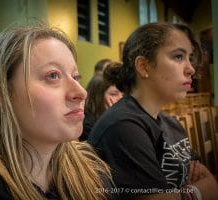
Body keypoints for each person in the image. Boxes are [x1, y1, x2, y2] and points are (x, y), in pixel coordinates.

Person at [0, 25, 117, 200]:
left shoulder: (93, 173)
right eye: (53, 76)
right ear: (3, 93)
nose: (81, 92)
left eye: (76, 76)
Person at [87, 22, 218, 200]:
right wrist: (196, 193)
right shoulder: (123, 126)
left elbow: (206, 178)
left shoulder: (171, 124)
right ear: (143, 66)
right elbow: (206, 187)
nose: (191, 69)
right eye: (178, 57)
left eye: (190, 58)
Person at [80, 63, 123, 141]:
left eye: (123, 94)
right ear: (98, 96)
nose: (120, 98)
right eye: (113, 94)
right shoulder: (86, 123)